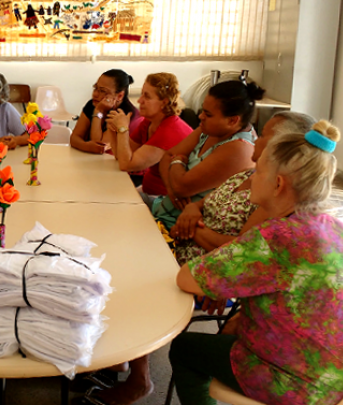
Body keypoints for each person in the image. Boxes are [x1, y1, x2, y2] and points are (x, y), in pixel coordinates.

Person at [170, 120, 343, 405]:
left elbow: (186, 278)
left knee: (185, 348)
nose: (252, 176)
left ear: (278, 184)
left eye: (259, 171)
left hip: (301, 386)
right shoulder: (340, 230)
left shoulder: (277, 237)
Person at [171, 111, 316, 265]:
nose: (254, 140)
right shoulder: (246, 174)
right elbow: (202, 203)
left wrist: (190, 229)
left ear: (279, 147)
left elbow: (241, 248)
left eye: (261, 136)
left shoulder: (274, 195)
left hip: (207, 270)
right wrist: (191, 209)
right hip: (178, 253)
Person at [153, 78, 265, 228]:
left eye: (208, 114)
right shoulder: (211, 128)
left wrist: (178, 160)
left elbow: (181, 186)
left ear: (233, 121)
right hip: (163, 210)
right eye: (202, 110)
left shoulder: (238, 148)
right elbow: (166, 158)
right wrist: (173, 192)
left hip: (182, 227)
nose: (201, 116)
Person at [107, 72, 192, 196]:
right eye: (142, 94)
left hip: (164, 199)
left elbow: (126, 165)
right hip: (148, 191)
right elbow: (121, 156)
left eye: (147, 97)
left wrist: (123, 129)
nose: (140, 100)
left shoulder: (168, 131)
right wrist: (112, 128)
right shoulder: (148, 122)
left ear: (164, 102)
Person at [70, 69, 142, 156]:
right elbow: (74, 138)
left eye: (103, 91)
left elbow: (100, 146)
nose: (95, 94)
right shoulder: (93, 103)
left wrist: (98, 112)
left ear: (120, 96)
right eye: (96, 88)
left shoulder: (124, 114)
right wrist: (85, 146)